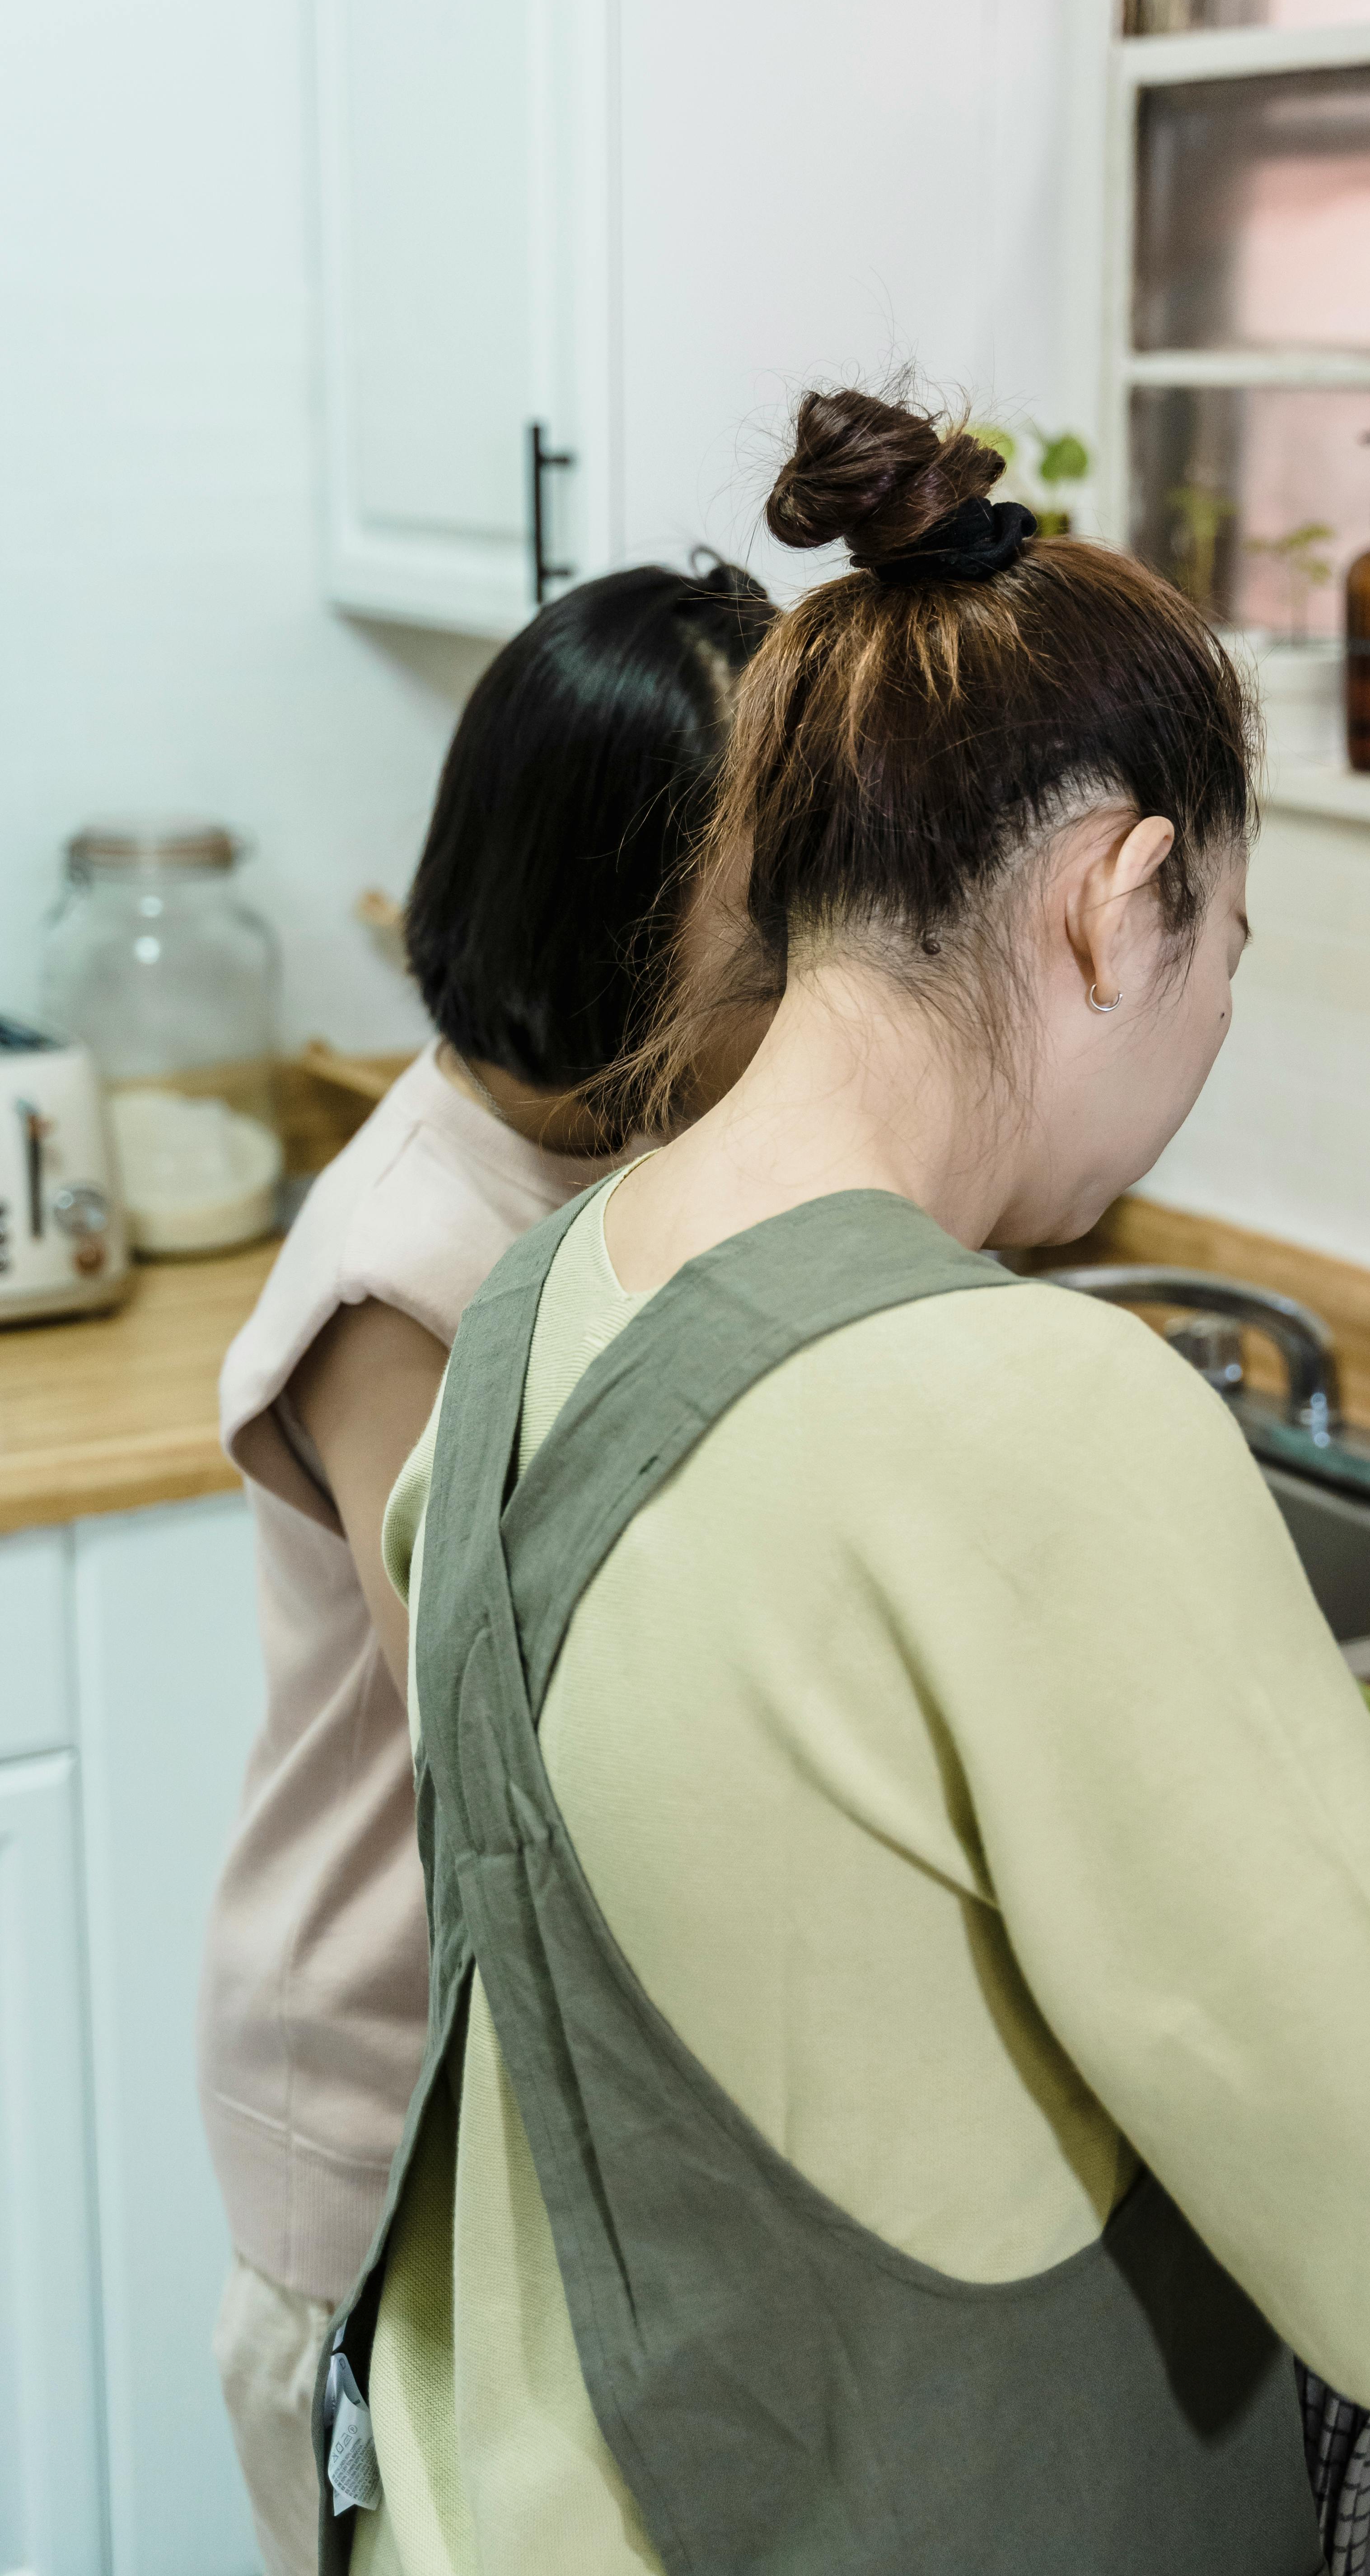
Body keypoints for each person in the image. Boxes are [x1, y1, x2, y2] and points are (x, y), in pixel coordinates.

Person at [341, 391, 1370, 2576]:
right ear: (1121, 903)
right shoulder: (1026, 1408)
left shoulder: (540, 1303)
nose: (1211, 1024)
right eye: (1227, 953)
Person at [196, 557, 775, 2576]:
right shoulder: (404, 1267)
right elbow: (510, 1744)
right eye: (767, 914)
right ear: (614, 915)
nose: (808, 962)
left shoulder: (612, 1163)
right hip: (371, 2114)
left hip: (500, 2115)